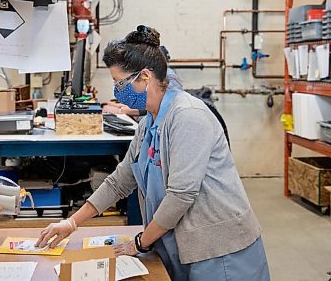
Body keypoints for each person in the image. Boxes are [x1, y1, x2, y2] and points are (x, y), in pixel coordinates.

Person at [36, 25, 270, 281]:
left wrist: (139, 243)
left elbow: (181, 195)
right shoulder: (150, 122)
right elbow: (119, 181)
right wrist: (71, 223)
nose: (116, 91)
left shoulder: (188, 117)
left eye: (120, 83)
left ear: (145, 77)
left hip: (220, 252)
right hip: (178, 245)